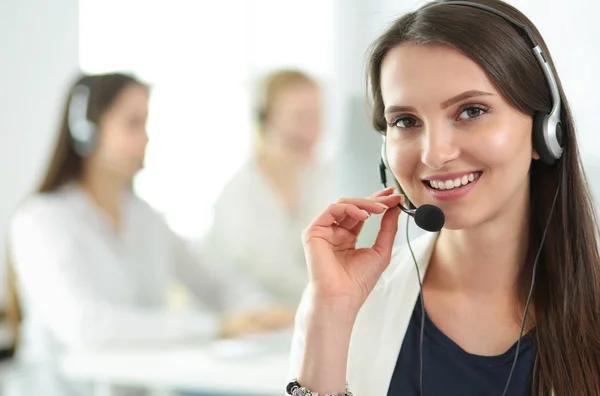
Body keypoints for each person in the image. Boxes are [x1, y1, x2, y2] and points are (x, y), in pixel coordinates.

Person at [287, 1, 600, 395]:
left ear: (544, 131)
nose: (434, 155)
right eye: (405, 121)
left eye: (471, 111)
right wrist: (330, 315)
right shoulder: (348, 306)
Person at [6, 72, 292, 396]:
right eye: (132, 124)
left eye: (145, 124)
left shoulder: (144, 217)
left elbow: (213, 281)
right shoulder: (42, 220)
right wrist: (219, 327)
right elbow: (87, 327)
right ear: (86, 131)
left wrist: (262, 314)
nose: (145, 139)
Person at [199, 69, 331, 309]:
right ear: (265, 120)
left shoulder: (320, 179)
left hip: (299, 316)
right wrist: (337, 289)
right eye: (300, 118)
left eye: (317, 116)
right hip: (246, 321)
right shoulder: (241, 193)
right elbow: (266, 271)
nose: (312, 131)